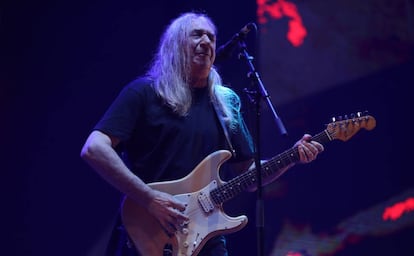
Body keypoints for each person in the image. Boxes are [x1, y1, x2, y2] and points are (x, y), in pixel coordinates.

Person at [80, 11, 324, 256]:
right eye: (197, 35)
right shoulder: (143, 93)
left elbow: (249, 172)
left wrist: (292, 157)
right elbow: (94, 148)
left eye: (211, 37)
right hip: (149, 231)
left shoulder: (225, 103)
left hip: (206, 238)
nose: (206, 42)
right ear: (175, 44)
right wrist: (149, 198)